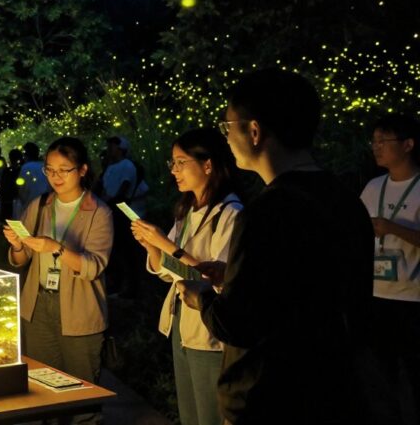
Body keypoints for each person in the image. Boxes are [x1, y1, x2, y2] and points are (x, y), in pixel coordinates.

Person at [177, 69, 373, 425]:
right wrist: (233, 276)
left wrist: (202, 297)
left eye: (227, 127)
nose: (226, 138)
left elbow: (238, 323)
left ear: (254, 131)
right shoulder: (346, 199)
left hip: (270, 397)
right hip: (334, 390)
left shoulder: (267, 211)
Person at [131, 128, 241, 425]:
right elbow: (168, 271)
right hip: (182, 322)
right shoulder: (188, 210)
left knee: (210, 414)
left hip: (209, 328)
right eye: (172, 163)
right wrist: (151, 246)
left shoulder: (230, 213)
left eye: (181, 162)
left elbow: (216, 276)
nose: (174, 170)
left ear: (208, 165)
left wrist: (165, 244)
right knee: (190, 413)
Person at [3, 137, 113, 424]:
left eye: (64, 170)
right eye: (49, 170)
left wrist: (56, 247)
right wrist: (17, 244)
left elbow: (94, 267)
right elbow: (21, 258)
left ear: (83, 170)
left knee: (81, 396)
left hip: (79, 310)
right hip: (38, 307)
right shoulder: (39, 205)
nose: (56, 177)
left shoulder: (98, 212)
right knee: (43, 390)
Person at [360, 113, 420, 424]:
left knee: (412, 379)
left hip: (412, 299)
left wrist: (393, 228)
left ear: (408, 145)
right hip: (376, 295)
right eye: (374, 141)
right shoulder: (372, 187)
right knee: (379, 381)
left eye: (384, 140)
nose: (376, 146)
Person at [100, 136, 146, 297]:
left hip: (122, 211)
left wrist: (109, 202)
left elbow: (123, 189)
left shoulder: (127, 166)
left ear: (120, 148)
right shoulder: (110, 166)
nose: (109, 149)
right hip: (111, 210)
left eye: (112, 146)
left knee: (126, 250)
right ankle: (117, 284)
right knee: (115, 249)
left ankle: (131, 288)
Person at [16, 142, 50, 211]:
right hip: (46, 203)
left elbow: (21, 189)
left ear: (26, 155)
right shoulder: (45, 166)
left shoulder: (25, 167)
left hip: (31, 204)